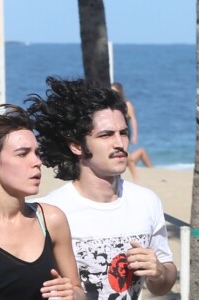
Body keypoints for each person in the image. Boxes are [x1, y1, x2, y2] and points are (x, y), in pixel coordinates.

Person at [25, 77, 177, 299]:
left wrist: (159, 271)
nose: (119, 143)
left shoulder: (146, 201)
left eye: (123, 133)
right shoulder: (49, 211)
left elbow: (162, 285)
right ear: (76, 145)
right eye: (106, 135)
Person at [0, 104, 85, 300]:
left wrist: (73, 294)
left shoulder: (51, 220)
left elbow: (78, 291)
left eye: (36, 153)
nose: (37, 162)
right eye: (23, 154)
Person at [111, 82, 152, 182]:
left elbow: (133, 119)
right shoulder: (111, 105)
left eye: (114, 91)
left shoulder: (126, 104)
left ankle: (136, 178)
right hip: (115, 133)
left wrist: (135, 135)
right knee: (125, 155)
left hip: (124, 133)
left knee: (127, 154)